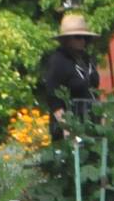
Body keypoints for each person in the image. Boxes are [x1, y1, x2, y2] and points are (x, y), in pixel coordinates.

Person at [36, 13, 102, 142]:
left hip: (90, 123)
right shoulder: (58, 61)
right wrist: (67, 128)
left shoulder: (87, 60)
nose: (82, 41)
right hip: (69, 126)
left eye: (85, 37)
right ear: (66, 40)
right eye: (78, 37)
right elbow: (53, 97)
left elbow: (93, 90)